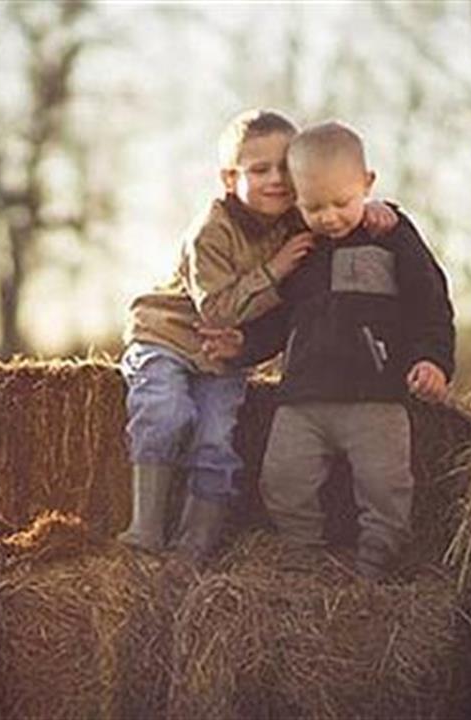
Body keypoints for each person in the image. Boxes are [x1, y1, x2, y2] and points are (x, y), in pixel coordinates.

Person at [118, 109, 398, 563]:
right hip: (167, 337)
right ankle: (145, 529)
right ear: (230, 178)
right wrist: (275, 269)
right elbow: (217, 311)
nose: (276, 180)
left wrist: (376, 211)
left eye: (285, 169)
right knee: (167, 413)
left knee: (216, 438)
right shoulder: (210, 230)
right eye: (259, 169)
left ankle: (194, 548)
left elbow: (340, 209)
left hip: (223, 358)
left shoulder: (298, 221)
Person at [202, 120, 455, 579]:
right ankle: (304, 560)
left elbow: (430, 303)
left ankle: (378, 563)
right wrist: (244, 345)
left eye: (342, 202)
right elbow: (283, 319)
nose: (331, 217)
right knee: (281, 482)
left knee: (386, 487)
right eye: (314, 206)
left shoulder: (392, 236)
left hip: (375, 398)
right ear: (296, 198)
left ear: (368, 184)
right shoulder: (300, 248)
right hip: (303, 400)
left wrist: (433, 359)